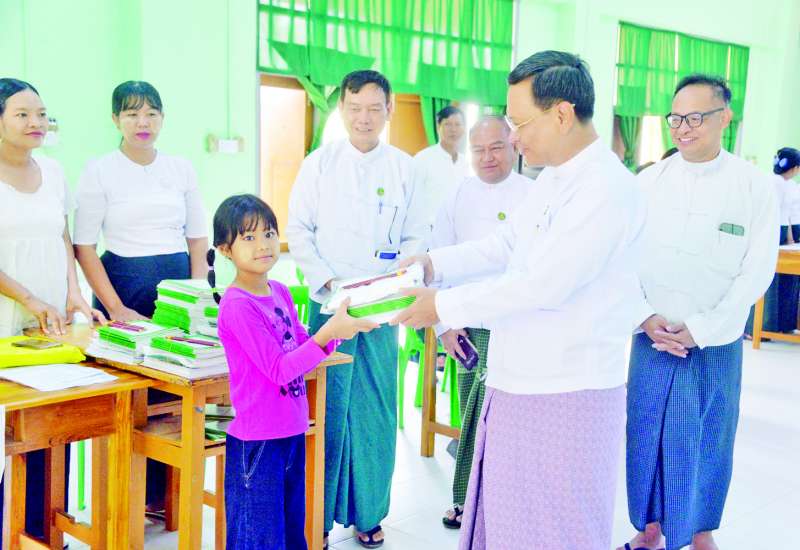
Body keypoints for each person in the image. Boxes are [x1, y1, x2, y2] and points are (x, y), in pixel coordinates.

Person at [392, 50, 646, 550]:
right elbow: (508, 245)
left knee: (554, 529)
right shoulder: (553, 177)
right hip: (518, 381)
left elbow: (544, 284)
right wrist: (435, 263)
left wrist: (441, 307)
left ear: (562, 114)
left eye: (519, 123)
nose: (512, 137)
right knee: (508, 520)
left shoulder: (606, 188)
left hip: (566, 391)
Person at [621, 75, 778, 550]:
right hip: (651, 335)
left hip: (714, 341)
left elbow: (757, 270)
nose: (683, 128)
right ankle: (648, 528)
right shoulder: (647, 183)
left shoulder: (753, 187)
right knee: (645, 432)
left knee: (708, 435)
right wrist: (643, 316)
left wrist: (703, 329)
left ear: (724, 117)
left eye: (695, 117)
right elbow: (620, 258)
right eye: (675, 119)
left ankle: (700, 531)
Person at [287, 69, 428, 548]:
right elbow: (298, 230)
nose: (363, 118)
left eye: (373, 108)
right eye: (354, 108)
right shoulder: (319, 164)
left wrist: (395, 284)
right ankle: (317, 519)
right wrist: (328, 282)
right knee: (324, 412)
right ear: (342, 110)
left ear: (389, 110)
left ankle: (368, 514)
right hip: (330, 305)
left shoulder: (406, 169)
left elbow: (417, 235)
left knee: (375, 411)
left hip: (383, 308)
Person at [73, 80, 209, 513]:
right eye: (131, 113)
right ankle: (124, 500)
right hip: (122, 286)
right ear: (116, 120)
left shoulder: (180, 168)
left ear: (163, 118)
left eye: (151, 113)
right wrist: (115, 308)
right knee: (130, 395)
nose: (142, 122)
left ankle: (164, 497)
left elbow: (197, 238)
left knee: (174, 391)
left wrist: (197, 295)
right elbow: (83, 246)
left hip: (176, 289)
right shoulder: (99, 170)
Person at [210, 194, 376, 550]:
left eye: (269, 233)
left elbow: (303, 348)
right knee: (259, 540)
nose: (263, 245)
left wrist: (341, 328)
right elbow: (279, 369)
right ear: (225, 249)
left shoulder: (280, 292)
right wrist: (328, 334)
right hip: (258, 443)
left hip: (292, 431)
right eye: (249, 237)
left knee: (291, 535)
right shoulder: (237, 305)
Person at [0, 78, 103, 543]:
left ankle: (42, 534)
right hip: (9, 314)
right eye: (22, 114)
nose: (36, 122)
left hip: (49, 319)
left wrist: (73, 291)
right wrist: (28, 298)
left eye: (41, 114)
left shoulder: (54, 171)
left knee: (49, 426)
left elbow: (61, 235)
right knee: (6, 435)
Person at [432, 116, 530, 530]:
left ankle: (499, 500)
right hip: (466, 326)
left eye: (496, 147)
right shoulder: (457, 195)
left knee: (506, 421)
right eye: (479, 150)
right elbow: (438, 258)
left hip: (515, 326)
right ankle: (464, 498)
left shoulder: (533, 196)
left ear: (513, 146)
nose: (487, 157)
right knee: (471, 413)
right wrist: (444, 326)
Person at [412, 105, 469, 230]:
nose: (453, 130)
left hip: (457, 230)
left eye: (458, 124)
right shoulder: (423, 159)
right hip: (428, 230)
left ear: (464, 128)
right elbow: (410, 198)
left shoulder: (465, 163)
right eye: (448, 124)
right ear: (438, 126)